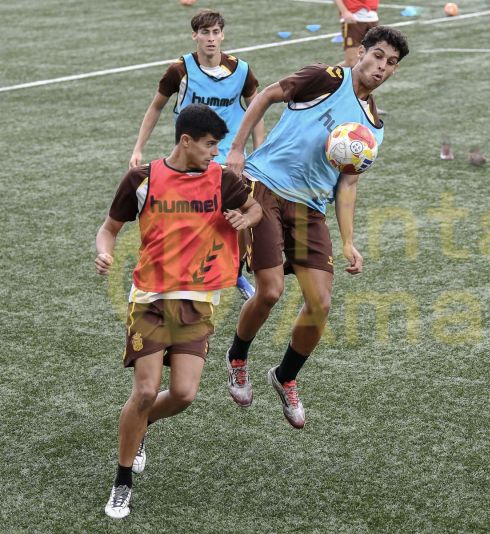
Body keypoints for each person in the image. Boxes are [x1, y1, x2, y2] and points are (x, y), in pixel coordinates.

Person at [222, 26, 409, 427]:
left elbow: (348, 185)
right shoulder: (326, 78)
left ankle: (285, 376)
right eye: (377, 55)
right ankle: (237, 356)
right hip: (265, 188)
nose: (382, 67)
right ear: (361, 51)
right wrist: (237, 149)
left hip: (310, 209)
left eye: (391, 63)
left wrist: (348, 242)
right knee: (270, 290)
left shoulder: (372, 128)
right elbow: (267, 95)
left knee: (320, 303)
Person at [96, 104, 262, 519]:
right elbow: (109, 228)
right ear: (186, 141)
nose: (215, 152)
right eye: (210, 144)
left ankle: (140, 426)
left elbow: (256, 208)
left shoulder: (222, 179)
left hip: (198, 303)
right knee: (146, 391)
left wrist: (244, 218)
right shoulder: (142, 179)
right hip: (150, 302)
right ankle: (122, 482)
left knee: (185, 394)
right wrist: (104, 252)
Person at [128, 8, 265, 299]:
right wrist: (138, 147)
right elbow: (156, 107)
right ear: (195, 36)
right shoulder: (179, 71)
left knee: (241, 212)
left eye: (216, 32)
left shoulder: (241, 70)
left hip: (228, 157)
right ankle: (178, 267)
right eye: (205, 32)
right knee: (187, 216)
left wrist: (258, 151)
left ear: (223, 35)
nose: (211, 38)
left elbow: (256, 111)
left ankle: (237, 272)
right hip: (190, 156)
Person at [333, 0, 380, 68]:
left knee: (372, 60)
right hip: (353, 17)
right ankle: (327, 74)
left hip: (373, 17)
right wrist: (344, 12)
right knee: (352, 62)